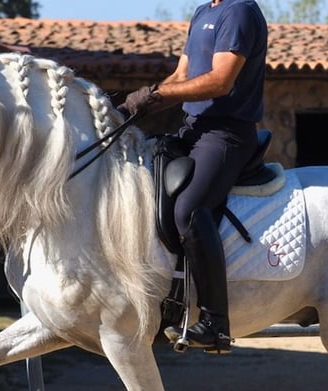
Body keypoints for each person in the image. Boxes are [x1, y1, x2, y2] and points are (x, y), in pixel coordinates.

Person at [121, 0, 268, 354]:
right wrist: (131, 107)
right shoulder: (205, 11)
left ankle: (216, 322)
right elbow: (180, 77)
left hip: (227, 134)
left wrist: (157, 94)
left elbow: (220, 81)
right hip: (193, 128)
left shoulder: (239, 11)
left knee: (189, 208)